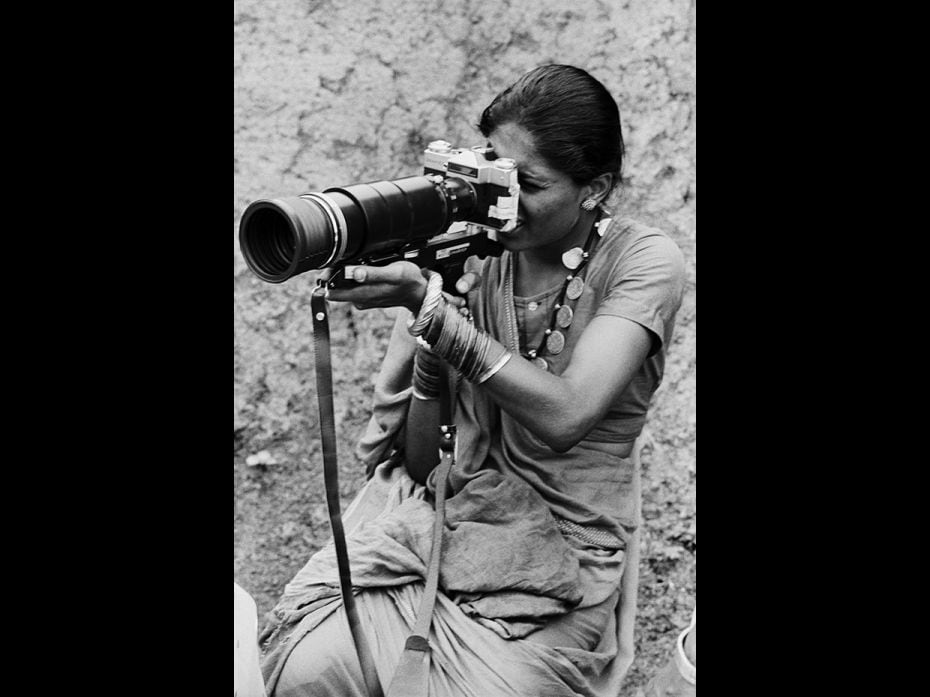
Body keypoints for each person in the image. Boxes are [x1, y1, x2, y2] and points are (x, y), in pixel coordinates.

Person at [256, 64, 687, 696]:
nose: (500, 199)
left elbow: (567, 417)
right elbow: (424, 460)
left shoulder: (644, 261)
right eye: (491, 167)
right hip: (447, 517)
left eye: (528, 184)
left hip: (567, 551)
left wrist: (435, 318)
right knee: (309, 670)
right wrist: (432, 348)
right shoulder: (472, 254)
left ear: (593, 188)